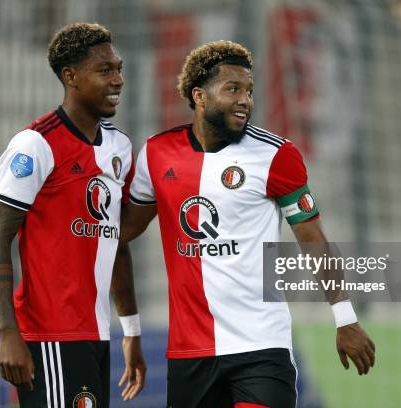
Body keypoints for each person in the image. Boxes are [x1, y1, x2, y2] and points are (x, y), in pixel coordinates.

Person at [121, 40, 375, 407]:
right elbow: (122, 231)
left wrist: (345, 317)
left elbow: (313, 240)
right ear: (200, 96)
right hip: (190, 353)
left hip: (261, 348)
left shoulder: (276, 156)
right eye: (233, 89)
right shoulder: (157, 153)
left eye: (249, 91)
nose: (245, 100)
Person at [0, 22, 146, 407]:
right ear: (71, 77)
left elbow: (115, 240)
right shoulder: (36, 144)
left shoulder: (119, 148)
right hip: (50, 335)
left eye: (119, 68)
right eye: (105, 70)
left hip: (96, 335)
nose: (119, 80)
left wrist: (132, 329)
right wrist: (8, 332)